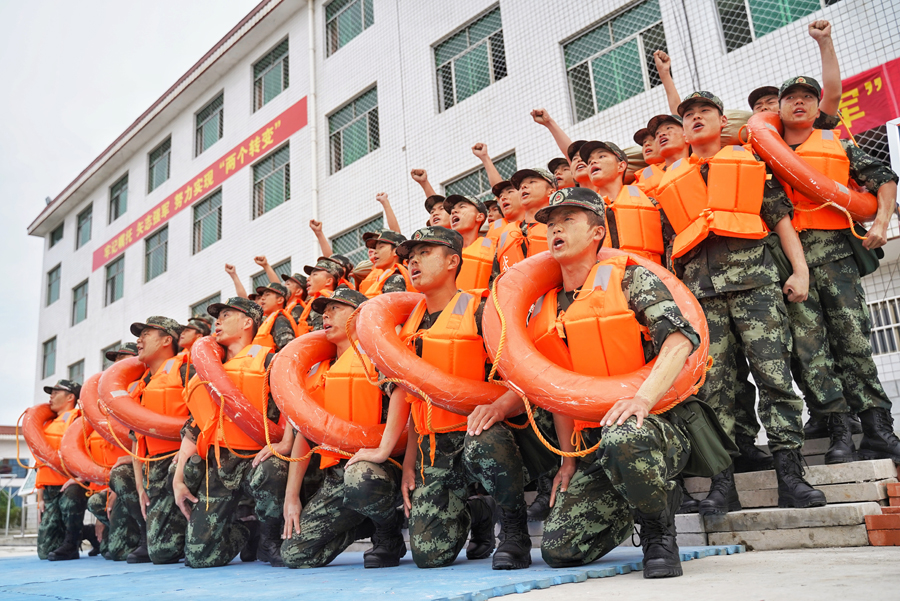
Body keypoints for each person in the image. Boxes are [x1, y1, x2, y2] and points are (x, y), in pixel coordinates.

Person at [655, 91, 825, 514]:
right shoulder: (670, 182)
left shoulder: (750, 163)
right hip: (701, 298)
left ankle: (791, 477)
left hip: (756, 287)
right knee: (715, 391)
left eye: (705, 112)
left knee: (774, 379)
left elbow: (781, 221)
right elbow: (669, 249)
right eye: (688, 115)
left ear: (721, 121)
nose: (696, 118)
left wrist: (800, 271)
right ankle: (722, 485)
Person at [527, 187, 696, 578]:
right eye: (551, 224)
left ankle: (658, 530)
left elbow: (680, 340)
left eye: (568, 220)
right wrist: (568, 461)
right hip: (592, 444)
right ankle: (630, 501)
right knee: (559, 551)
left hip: (649, 428)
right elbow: (559, 391)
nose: (556, 229)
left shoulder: (630, 279)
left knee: (624, 434)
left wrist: (642, 400)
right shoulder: (546, 305)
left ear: (597, 232)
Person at [370, 227, 532, 570]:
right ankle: (479, 512)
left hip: (481, 431)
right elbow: (414, 400)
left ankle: (514, 529)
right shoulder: (408, 327)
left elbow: (525, 382)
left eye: (425, 253)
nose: (413, 261)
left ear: (452, 261)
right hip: (435, 449)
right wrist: (409, 463)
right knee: (428, 557)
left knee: (486, 439)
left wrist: (497, 408)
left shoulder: (482, 311)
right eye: (410, 257)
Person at [775, 75, 900, 464]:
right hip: (791, 267)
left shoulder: (838, 144)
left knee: (855, 342)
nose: (799, 102)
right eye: (790, 97)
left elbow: (884, 178)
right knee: (811, 352)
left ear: (818, 107)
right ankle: (839, 433)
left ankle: (878, 430)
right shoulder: (766, 154)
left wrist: (882, 223)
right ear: (779, 108)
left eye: (807, 97)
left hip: (837, 260)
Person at [280, 288, 410, 569]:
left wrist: (382, 450)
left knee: (360, 476)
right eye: (324, 311)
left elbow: (402, 393)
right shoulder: (320, 370)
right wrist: (292, 496)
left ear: (358, 315)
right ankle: (365, 521)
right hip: (337, 476)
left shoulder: (375, 356)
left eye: (336, 308)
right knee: (294, 554)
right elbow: (306, 432)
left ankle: (387, 533)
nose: (326, 315)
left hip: (379, 468)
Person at [175, 297, 291, 568]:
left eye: (226, 315)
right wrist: (178, 478)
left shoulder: (270, 362)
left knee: (273, 469)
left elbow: (291, 411)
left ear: (247, 322)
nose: (217, 321)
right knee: (199, 558)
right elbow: (194, 427)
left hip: (256, 459)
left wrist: (283, 443)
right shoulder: (207, 370)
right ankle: (247, 531)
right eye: (218, 317)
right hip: (219, 464)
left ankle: (269, 539)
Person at [114, 317, 195, 565]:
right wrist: (140, 488)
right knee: (120, 474)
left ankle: (231, 526)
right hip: (152, 467)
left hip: (182, 462)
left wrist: (184, 456)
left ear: (166, 340)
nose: (139, 340)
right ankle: (148, 532)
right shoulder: (141, 385)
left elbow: (202, 420)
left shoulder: (185, 371)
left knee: (164, 554)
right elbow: (136, 439)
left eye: (146, 334)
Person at [579, 140, 665, 265]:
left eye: (601, 156)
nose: (592, 162)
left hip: (648, 274)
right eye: (589, 161)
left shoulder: (650, 203)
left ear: (621, 166)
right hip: (607, 276)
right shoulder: (585, 215)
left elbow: (669, 242)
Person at [746, 20, 841, 131]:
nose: (764, 108)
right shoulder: (746, 139)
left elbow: (833, 94)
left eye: (771, 102)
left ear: (781, 110)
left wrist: (824, 40)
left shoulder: (808, 125)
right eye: (758, 106)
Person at [34, 379, 85, 561]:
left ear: (70, 397)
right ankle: (86, 533)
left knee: (71, 499)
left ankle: (72, 543)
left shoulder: (77, 419)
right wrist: (40, 498)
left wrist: (79, 478)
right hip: (49, 489)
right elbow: (40, 465)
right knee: (44, 551)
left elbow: (86, 453)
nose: (51, 396)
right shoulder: (47, 424)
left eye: (56, 392)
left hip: (69, 486)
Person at [494, 168, 556, 275]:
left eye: (532, 182)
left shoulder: (561, 227)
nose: (523, 186)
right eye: (520, 186)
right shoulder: (506, 235)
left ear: (551, 192)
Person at [444, 195, 496, 290]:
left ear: (479, 217)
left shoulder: (494, 249)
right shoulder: (442, 255)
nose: (453, 211)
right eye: (452, 210)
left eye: (462, 206)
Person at [360, 228, 412, 297]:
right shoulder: (384, 278)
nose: (375, 252)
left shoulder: (395, 279)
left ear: (396, 251)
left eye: (381, 247)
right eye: (375, 248)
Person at [297, 257, 343, 333]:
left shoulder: (321, 302)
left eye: (314, 274)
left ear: (328, 281)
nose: (308, 279)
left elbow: (321, 334)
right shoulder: (337, 300)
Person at [252, 282, 297, 352]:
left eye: (267, 295)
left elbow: (289, 350)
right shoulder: (265, 322)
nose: (262, 298)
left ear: (280, 300)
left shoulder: (280, 320)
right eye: (262, 295)